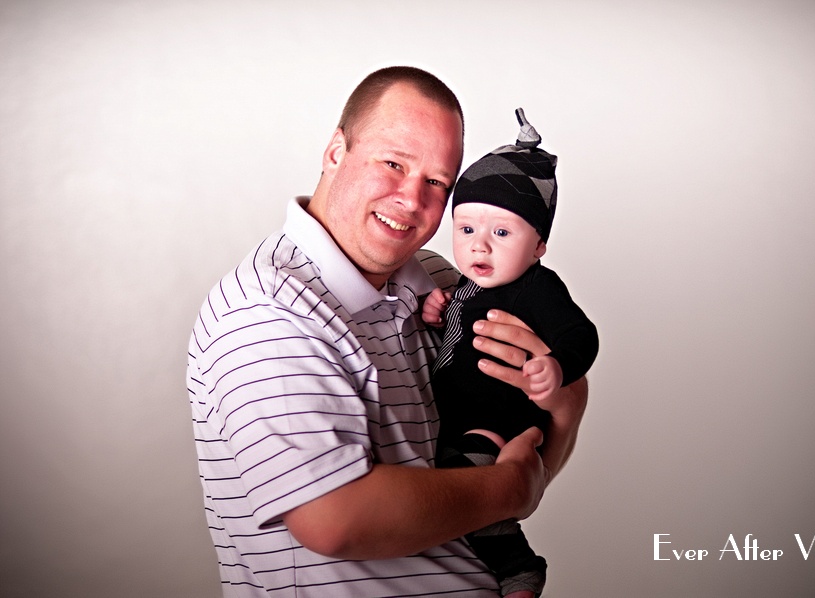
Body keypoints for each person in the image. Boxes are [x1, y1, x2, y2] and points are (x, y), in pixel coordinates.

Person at [186, 66, 588, 597]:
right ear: (336, 152)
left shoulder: (447, 285)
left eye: (437, 182)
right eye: (394, 163)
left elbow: (515, 456)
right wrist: (509, 490)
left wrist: (566, 403)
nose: (413, 198)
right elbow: (336, 519)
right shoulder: (266, 310)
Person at [422, 109, 599, 597]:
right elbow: (460, 322)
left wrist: (556, 366)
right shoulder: (464, 284)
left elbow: (581, 334)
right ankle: (512, 568)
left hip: (502, 422)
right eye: (466, 230)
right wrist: (439, 309)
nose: (480, 246)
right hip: (462, 421)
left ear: (539, 244)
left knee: (465, 493)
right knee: (466, 502)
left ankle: (520, 569)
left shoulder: (537, 289)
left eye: (501, 233)